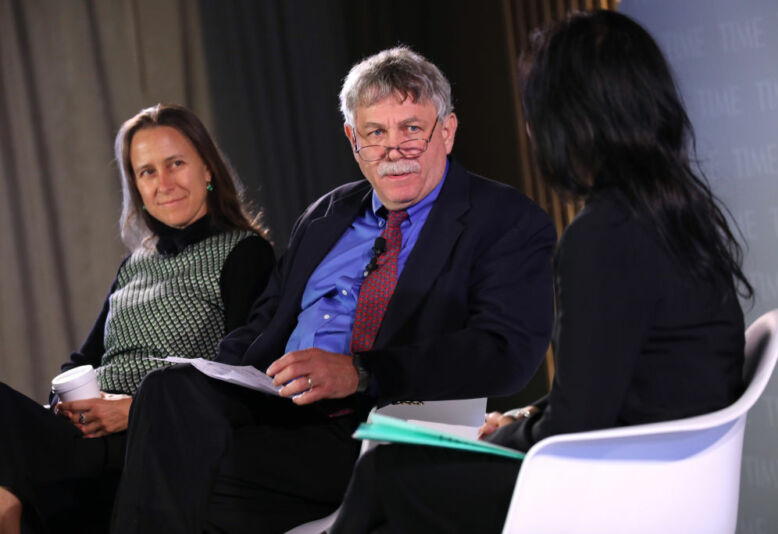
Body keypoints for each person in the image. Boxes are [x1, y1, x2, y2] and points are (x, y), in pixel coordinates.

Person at [328, 10, 754, 534]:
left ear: (567, 119)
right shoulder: (678, 213)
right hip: (658, 475)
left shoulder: (605, 236)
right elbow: (618, 378)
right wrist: (523, 419)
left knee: (383, 473)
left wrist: (499, 436)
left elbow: (578, 424)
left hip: (609, 487)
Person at [109, 47, 556, 534]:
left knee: (173, 477)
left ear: (445, 132)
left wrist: (361, 372)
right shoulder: (326, 216)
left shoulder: (505, 220)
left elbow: (505, 351)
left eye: (411, 128)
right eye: (375, 133)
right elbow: (264, 321)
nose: (394, 149)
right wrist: (223, 371)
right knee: (169, 392)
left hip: (372, 422)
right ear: (353, 139)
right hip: (277, 405)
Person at [0, 103, 274, 534]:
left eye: (175, 164)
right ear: (136, 187)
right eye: (146, 172)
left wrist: (136, 410)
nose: (163, 183)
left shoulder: (244, 253)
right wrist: (66, 406)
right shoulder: (135, 263)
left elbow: (238, 375)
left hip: (148, 438)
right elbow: (80, 361)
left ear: (207, 169)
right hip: (89, 430)